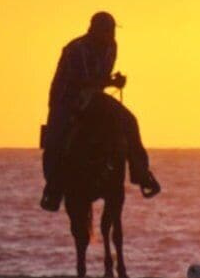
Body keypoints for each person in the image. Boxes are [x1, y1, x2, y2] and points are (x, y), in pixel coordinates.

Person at [38, 12, 160, 211]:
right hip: (66, 100)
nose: (110, 35)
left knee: (129, 121)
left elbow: (99, 80)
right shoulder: (76, 50)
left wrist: (113, 81)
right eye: (107, 30)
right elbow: (85, 80)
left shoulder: (112, 47)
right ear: (94, 30)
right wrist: (111, 82)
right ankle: (53, 189)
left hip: (94, 97)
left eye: (112, 31)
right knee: (56, 137)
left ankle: (141, 173)